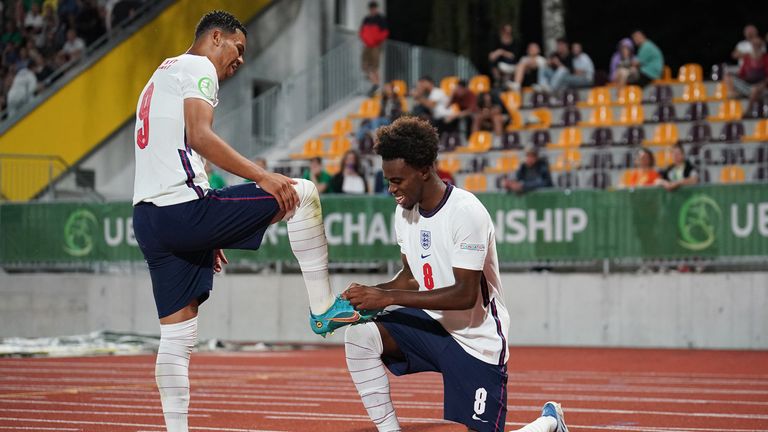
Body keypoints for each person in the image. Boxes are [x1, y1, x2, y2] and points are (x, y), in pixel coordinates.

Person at [130, 11, 375, 432]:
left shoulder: (160, 75)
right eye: (238, 50)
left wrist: (209, 232)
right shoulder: (199, 66)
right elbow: (199, 136)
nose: (240, 60)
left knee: (176, 339)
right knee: (301, 192)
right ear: (216, 37)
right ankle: (322, 309)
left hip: (149, 217)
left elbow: (177, 150)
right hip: (183, 210)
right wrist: (261, 174)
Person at [341, 117, 569, 432]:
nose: (391, 189)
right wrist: (365, 296)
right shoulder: (403, 210)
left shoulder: (466, 212)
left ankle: (548, 424)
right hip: (432, 327)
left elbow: (464, 295)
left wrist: (387, 297)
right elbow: (410, 276)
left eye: (397, 180)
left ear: (424, 170)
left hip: (477, 339)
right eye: (388, 180)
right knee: (360, 335)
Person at [728, 37, 768, 113]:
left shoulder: (766, 58)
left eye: (757, 45)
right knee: (728, 76)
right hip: (749, 86)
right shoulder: (747, 58)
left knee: (755, 89)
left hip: (762, 88)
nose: (755, 47)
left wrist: (762, 85)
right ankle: (734, 94)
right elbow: (742, 74)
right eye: (754, 45)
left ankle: (749, 110)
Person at [359, 1, 388, 96]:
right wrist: (365, 39)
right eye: (371, 9)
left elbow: (385, 33)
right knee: (365, 66)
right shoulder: (366, 19)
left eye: (374, 8)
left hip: (375, 45)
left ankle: (376, 85)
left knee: (374, 66)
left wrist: (376, 40)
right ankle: (375, 83)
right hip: (367, 45)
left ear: (376, 9)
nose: (372, 10)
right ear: (369, 9)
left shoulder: (380, 19)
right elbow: (361, 31)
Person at [488, 23, 520, 88]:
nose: (507, 33)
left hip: (510, 64)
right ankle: (498, 80)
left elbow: (513, 56)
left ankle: (506, 83)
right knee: (493, 63)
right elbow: (491, 57)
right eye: (506, 31)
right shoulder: (496, 41)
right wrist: (498, 53)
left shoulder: (515, 42)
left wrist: (501, 52)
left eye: (509, 31)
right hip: (498, 65)